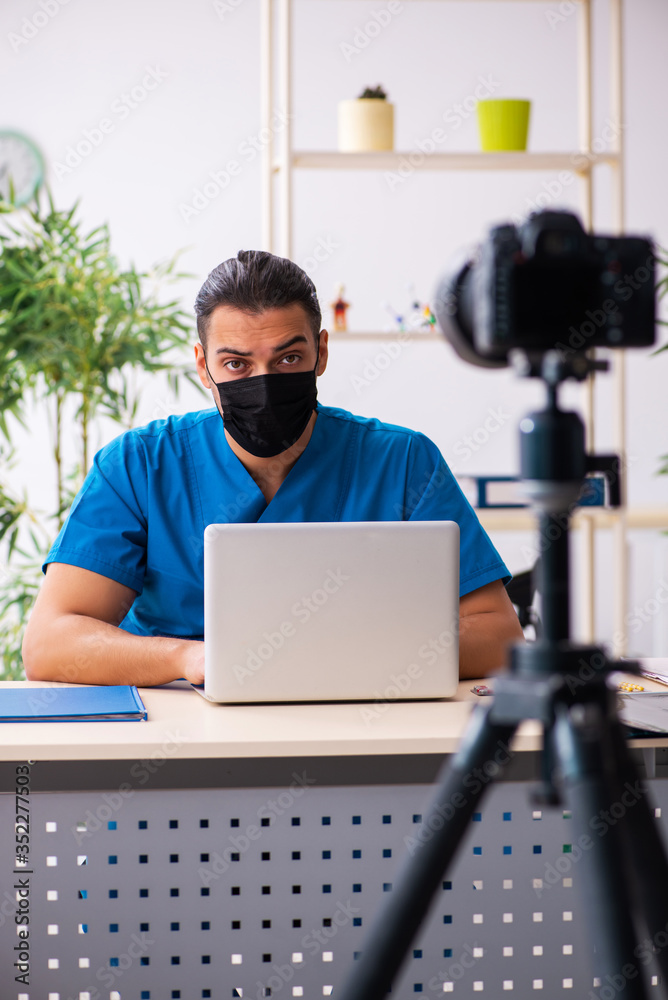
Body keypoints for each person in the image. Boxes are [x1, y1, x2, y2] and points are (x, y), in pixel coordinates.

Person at [22, 251, 523, 687]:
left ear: (321, 352)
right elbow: (49, 644)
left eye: (287, 359)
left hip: (357, 730)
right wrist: (191, 658)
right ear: (203, 368)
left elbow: (498, 636)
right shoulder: (138, 465)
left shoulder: (403, 461)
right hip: (177, 736)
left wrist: (345, 653)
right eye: (236, 364)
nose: (263, 383)